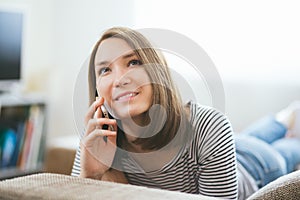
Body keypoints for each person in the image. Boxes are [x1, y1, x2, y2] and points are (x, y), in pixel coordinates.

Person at [71, 27, 300, 200]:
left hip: (255, 165)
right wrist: (90, 175)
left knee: (287, 148)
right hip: (232, 144)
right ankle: (283, 119)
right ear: (97, 90)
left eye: (133, 62)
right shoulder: (96, 138)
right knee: (252, 135)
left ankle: (286, 119)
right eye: (105, 70)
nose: (120, 78)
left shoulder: (210, 125)